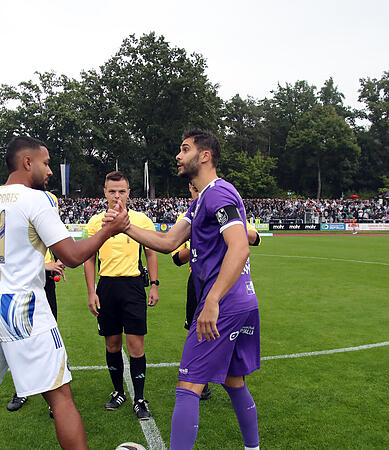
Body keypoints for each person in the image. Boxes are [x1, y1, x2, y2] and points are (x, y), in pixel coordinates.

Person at [0, 136, 128, 450]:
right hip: (23, 310)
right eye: (46, 163)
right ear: (27, 162)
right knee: (61, 398)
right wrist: (108, 230)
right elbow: (73, 256)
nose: (49, 171)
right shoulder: (37, 200)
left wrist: (33, 267)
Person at [106, 129, 261, 450]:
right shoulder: (202, 199)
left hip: (226, 304)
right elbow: (168, 243)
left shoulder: (218, 193)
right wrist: (126, 226)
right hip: (243, 302)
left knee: (187, 386)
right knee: (233, 382)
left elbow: (240, 247)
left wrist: (213, 301)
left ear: (204, 156)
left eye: (185, 149)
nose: (178, 155)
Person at [171, 182, 261, 402]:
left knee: (226, 333)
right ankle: (203, 379)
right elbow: (175, 257)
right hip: (198, 281)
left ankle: (230, 376)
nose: (196, 192)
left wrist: (226, 231)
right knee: (196, 328)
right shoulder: (188, 217)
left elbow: (254, 238)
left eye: (197, 189)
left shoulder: (224, 208)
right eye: (192, 190)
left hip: (226, 282)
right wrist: (196, 246)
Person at [83, 171, 159, 420]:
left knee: (136, 346)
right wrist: (91, 291)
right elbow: (88, 259)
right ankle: (118, 392)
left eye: (122, 191)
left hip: (133, 287)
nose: (117, 196)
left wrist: (154, 285)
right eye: (112, 191)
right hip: (106, 288)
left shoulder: (140, 220)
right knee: (112, 344)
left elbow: (151, 252)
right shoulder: (95, 222)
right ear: (104, 192)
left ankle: (139, 398)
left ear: (129, 192)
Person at [6, 192, 67, 414]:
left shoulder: (49, 207)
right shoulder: (16, 209)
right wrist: (45, 266)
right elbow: (13, 258)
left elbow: (56, 242)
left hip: (45, 283)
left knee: (49, 339)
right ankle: (21, 390)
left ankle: (54, 398)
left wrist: (60, 261)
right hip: (22, 286)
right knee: (18, 338)